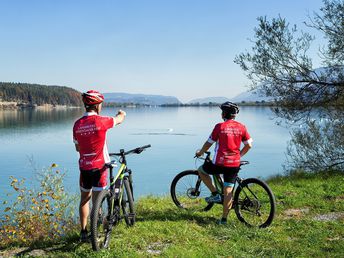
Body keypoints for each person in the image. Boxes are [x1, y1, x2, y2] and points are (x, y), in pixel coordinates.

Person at [73, 90, 126, 241]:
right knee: (97, 202)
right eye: (100, 104)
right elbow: (119, 119)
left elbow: (78, 148)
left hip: (84, 167)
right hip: (99, 167)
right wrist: (122, 113)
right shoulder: (101, 121)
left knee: (84, 200)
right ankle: (96, 232)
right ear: (96, 106)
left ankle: (83, 232)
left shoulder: (77, 125)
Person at [195, 101, 252, 225]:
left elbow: (208, 143)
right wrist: (239, 156)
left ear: (223, 114)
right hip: (234, 163)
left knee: (201, 170)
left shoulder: (219, 127)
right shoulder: (241, 127)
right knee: (228, 191)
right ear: (234, 115)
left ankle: (215, 194)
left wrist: (200, 152)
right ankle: (224, 220)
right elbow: (249, 145)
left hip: (220, 163)